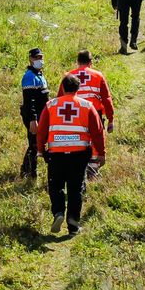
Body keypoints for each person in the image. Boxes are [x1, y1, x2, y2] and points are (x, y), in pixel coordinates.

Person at [36, 74, 107, 235]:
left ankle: (58, 213)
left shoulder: (50, 105)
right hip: (79, 154)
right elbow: (97, 132)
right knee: (76, 189)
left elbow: (41, 130)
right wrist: (101, 153)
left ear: (62, 87)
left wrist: (40, 150)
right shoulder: (87, 105)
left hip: (56, 154)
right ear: (78, 88)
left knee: (56, 186)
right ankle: (73, 225)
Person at [18, 47, 50, 180]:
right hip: (34, 116)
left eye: (41, 57)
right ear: (30, 59)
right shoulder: (29, 77)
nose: (39, 60)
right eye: (37, 58)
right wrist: (33, 119)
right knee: (34, 144)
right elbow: (29, 101)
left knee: (36, 143)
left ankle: (28, 171)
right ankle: (29, 172)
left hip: (41, 115)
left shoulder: (39, 75)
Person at [64, 49, 114, 133]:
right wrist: (110, 119)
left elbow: (60, 98)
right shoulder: (98, 76)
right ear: (90, 62)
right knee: (96, 142)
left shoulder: (68, 76)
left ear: (77, 62)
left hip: (74, 114)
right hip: (94, 113)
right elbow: (106, 99)